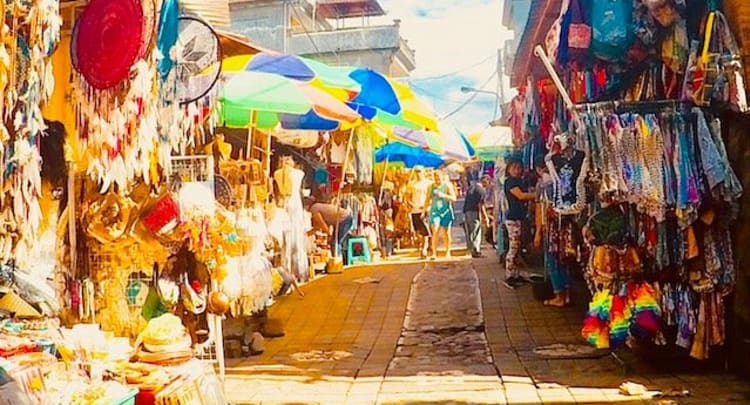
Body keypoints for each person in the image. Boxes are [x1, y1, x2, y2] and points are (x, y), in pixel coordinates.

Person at [503, 159, 536, 289]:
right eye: (514, 168)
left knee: (517, 247)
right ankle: (509, 275)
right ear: (509, 169)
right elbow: (521, 196)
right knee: (513, 247)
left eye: (518, 168)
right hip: (513, 219)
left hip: (519, 218)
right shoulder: (510, 182)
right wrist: (537, 194)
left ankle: (515, 274)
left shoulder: (519, 181)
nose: (516, 170)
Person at [404, 166, 433, 257]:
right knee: (418, 230)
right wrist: (410, 204)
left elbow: (431, 196)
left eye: (419, 171)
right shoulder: (411, 184)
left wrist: (427, 205)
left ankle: (424, 248)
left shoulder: (429, 183)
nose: (418, 173)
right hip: (415, 209)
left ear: (423, 172)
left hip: (425, 209)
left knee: (425, 229)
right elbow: (407, 196)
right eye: (416, 171)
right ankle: (423, 245)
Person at [428, 170, 457, 259]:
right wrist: (424, 210)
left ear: (442, 178)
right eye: (436, 179)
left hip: (445, 211)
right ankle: (434, 253)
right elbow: (427, 198)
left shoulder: (447, 186)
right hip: (435, 211)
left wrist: (444, 195)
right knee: (435, 230)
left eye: (439, 179)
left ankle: (448, 251)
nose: (437, 181)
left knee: (446, 232)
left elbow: (454, 198)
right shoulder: (431, 187)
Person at [463, 176, 489, 258]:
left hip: (466, 210)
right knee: (476, 231)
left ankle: (470, 248)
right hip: (474, 211)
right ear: (485, 182)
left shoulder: (472, 187)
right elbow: (481, 205)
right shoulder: (481, 190)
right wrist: (485, 217)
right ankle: (476, 250)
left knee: (469, 231)